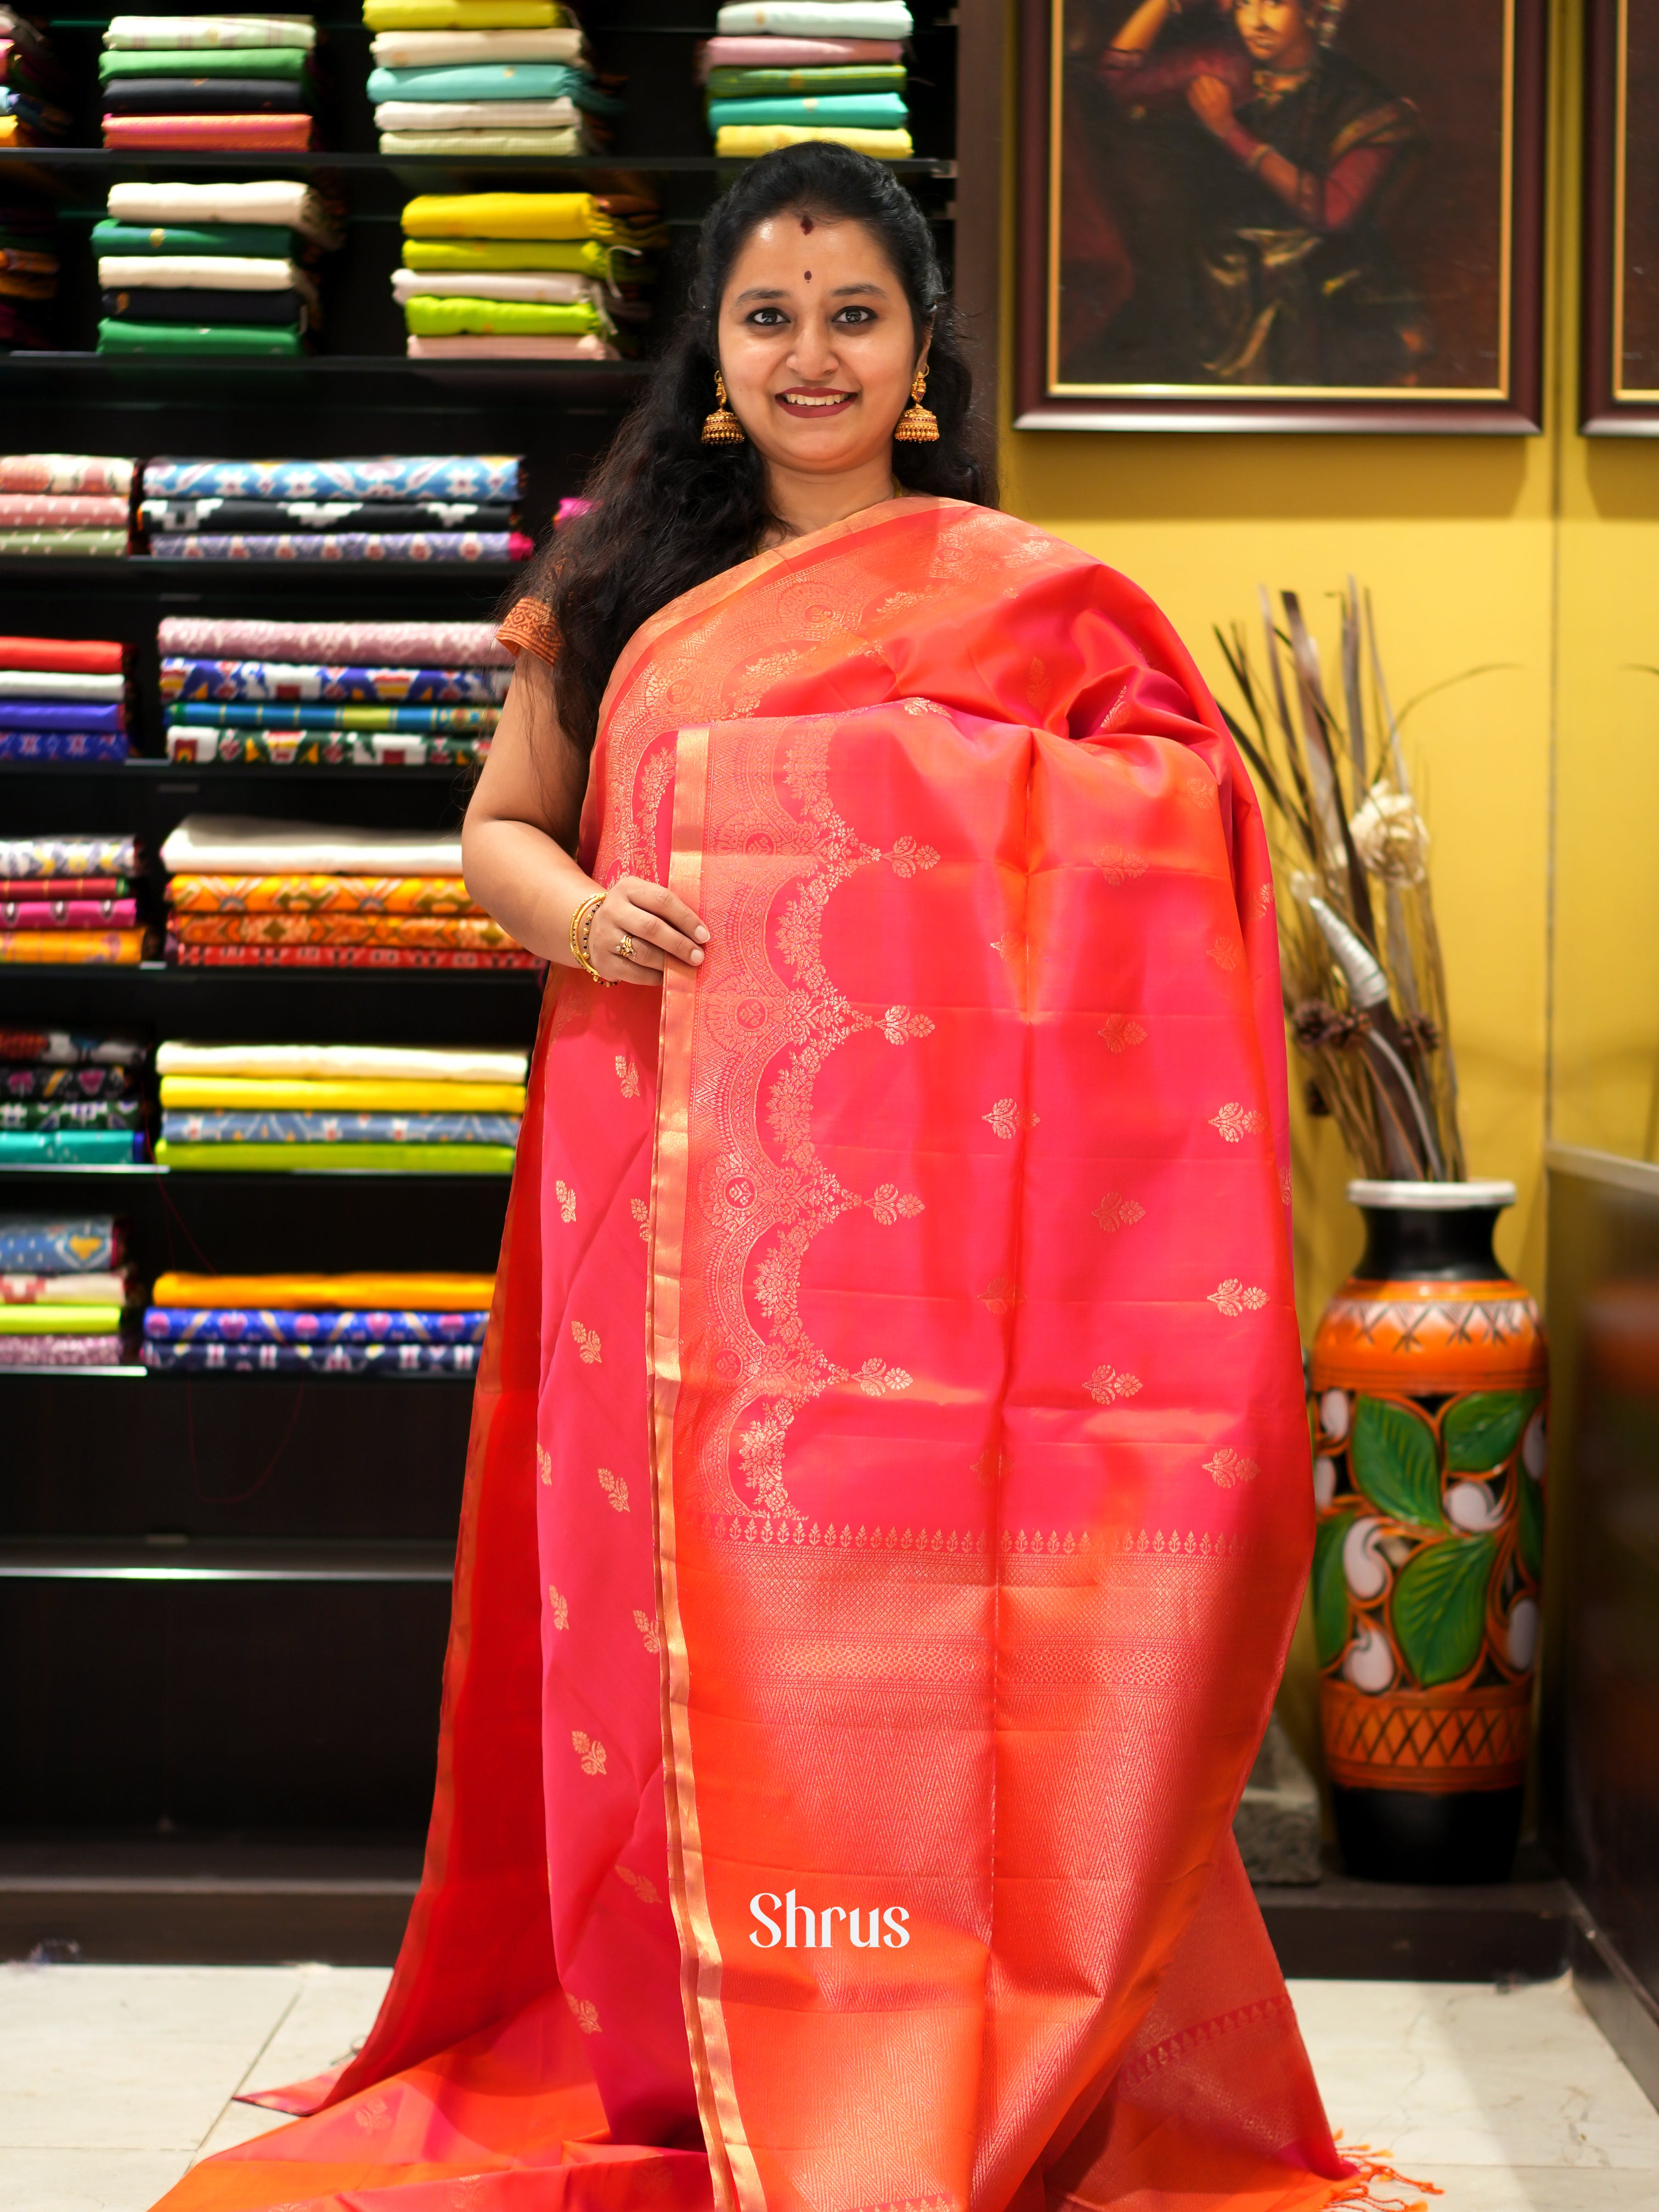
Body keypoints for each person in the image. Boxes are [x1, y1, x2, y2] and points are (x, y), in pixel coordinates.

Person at [151, 144, 1411, 2212]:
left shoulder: (1020, 599)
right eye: (766, 316)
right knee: (656, 1621)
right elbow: (500, 828)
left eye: (851, 314)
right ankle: (683, 2028)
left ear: (919, 351)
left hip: (940, 1259)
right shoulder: (617, 574)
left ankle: (927, 2013)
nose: (808, 353)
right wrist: (577, 913)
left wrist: (881, 804)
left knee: (932, 1638)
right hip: (647, 1201)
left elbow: (1169, 815)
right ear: (710, 357)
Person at [1066, 0, 1430, 386]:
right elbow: (1115, 77)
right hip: (1221, 277)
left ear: (1311, 11)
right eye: (1243, 5)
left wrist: (1230, 132)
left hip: (1322, 281)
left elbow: (1332, 211)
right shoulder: (1223, 65)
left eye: (1274, 4)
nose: (1256, 22)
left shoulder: (1362, 101)